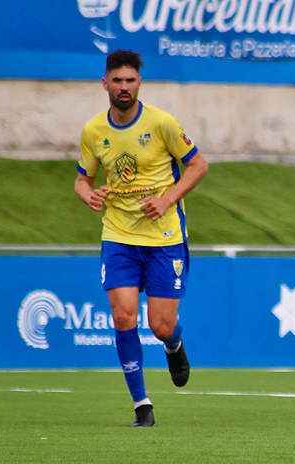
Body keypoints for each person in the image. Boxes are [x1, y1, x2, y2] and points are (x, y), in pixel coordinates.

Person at [74, 50, 208, 427]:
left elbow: (198, 165)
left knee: (161, 324)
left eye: (130, 81)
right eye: (116, 81)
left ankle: (174, 344)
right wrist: (89, 195)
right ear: (105, 84)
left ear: (139, 84)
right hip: (118, 235)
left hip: (164, 237)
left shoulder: (162, 123)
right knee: (122, 316)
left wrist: (167, 199)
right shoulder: (93, 131)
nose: (123, 87)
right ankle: (142, 405)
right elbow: (82, 178)